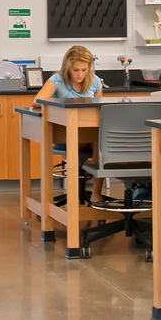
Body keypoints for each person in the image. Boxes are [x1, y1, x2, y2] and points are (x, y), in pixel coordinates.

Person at [33, 45, 105, 204]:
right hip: (66, 135)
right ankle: (88, 194)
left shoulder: (94, 81)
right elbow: (37, 101)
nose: (80, 74)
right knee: (100, 142)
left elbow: (101, 109)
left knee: (103, 142)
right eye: (75, 70)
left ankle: (96, 193)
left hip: (91, 135)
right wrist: (62, 104)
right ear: (67, 67)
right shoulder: (57, 80)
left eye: (84, 70)